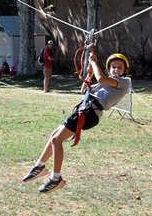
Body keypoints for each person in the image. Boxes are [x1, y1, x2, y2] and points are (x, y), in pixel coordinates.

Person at [22, 52, 130, 194]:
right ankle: (40, 166)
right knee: (54, 135)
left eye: (120, 68)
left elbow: (101, 78)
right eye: (114, 67)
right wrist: (89, 75)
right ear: (109, 69)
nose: (116, 70)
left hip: (90, 113)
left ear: (125, 70)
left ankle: (56, 178)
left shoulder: (124, 82)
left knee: (56, 140)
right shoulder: (104, 84)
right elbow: (83, 90)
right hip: (84, 108)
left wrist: (92, 62)